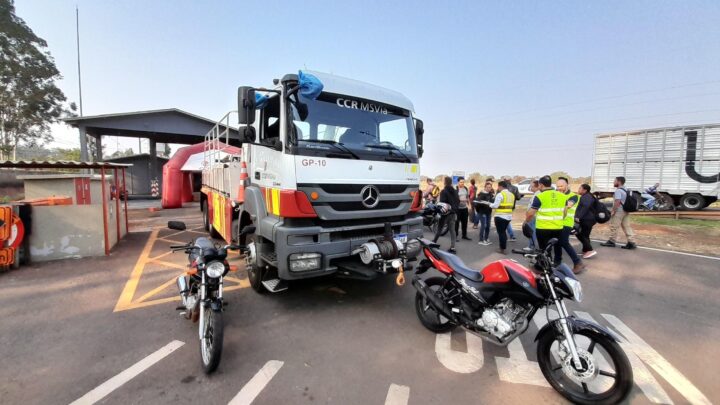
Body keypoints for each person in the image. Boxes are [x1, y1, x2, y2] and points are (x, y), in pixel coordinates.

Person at [524, 175, 566, 264]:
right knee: (558, 248)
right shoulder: (562, 196)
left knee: (544, 250)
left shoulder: (540, 196)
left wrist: (526, 221)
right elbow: (564, 213)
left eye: (539, 185)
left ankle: (546, 265)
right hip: (558, 227)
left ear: (541, 185)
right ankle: (558, 265)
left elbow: (531, 213)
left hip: (543, 228)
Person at [556, 177, 585, 273]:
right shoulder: (556, 195)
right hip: (557, 223)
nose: (559, 188)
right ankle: (557, 262)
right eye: (557, 186)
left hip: (567, 223)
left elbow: (568, 205)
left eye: (561, 186)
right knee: (556, 242)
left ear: (567, 185)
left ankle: (578, 262)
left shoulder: (573, 196)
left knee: (564, 242)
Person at [601, 176, 637, 249]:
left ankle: (612, 241)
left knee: (614, 226)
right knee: (626, 226)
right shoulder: (626, 189)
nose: (613, 182)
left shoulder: (618, 191)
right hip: (626, 210)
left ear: (619, 182)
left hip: (619, 210)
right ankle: (631, 242)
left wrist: (613, 210)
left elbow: (617, 201)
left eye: (615, 181)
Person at [488, 180, 515, 254]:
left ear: (500, 186)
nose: (498, 188)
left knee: (501, 233)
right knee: (503, 232)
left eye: (498, 187)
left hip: (500, 216)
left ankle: (502, 249)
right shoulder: (511, 195)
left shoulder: (500, 194)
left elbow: (495, 205)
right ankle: (503, 246)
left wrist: (489, 204)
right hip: (508, 216)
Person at [433, 176, 458, 253]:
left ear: (445, 182)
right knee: (452, 231)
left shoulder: (443, 191)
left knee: (439, 229)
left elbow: (442, 203)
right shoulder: (455, 191)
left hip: (445, 214)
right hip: (453, 213)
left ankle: (434, 242)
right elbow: (458, 202)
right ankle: (452, 247)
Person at [575, 183, 597, 259]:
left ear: (585, 190)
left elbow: (585, 207)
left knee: (580, 234)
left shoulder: (586, 197)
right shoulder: (587, 196)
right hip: (589, 219)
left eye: (580, 188)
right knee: (585, 235)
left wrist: (578, 217)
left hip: (587, 219)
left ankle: (590, 250)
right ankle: (585, 250)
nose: (578, 190)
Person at [502, 176, 522, 242]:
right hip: (511, 207)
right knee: (507, 221)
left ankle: (511, 236)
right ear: (510, 180)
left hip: (502, 207)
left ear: (505, 180)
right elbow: (518, 198)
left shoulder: (501, 188)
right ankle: (510, 235)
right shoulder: (515, 188)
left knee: (505, 221)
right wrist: (521, 195)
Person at [523, 179, 540, 252]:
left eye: (532, 186)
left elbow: (533, 207)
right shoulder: (536, 193)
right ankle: (531, 245)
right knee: (532, 231)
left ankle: (531, 246)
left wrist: (528, 216)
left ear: (536, 187)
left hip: (532, 215)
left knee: (531, 231)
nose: (531, 188)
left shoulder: (537, 194)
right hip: (532, 215)